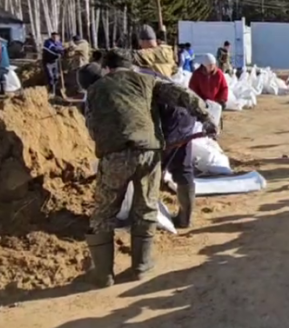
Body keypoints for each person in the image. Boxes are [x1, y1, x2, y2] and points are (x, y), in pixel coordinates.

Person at [82, 49, 217, 287]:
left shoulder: (95, 89)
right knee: (145, 206)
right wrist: (206, 117)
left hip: (114, 154)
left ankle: (103, 275)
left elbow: (92, 125)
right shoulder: (147, 81)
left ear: (107, 68)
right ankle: (141, 267)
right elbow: (181, 93)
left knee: (104, 213)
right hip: (148, 152)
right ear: (129, 65)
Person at [43, 32, 64, 97]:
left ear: (58, 37)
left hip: (55, 61)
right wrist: (60, 50)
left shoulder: (59, 42)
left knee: (56, 76)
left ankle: (56, 90)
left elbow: (61, 49)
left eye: (56, 37)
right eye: (53, 37)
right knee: (50, 76)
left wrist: (62, 52)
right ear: (51, 37)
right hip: (48, 62)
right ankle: (51, 90)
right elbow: (52, 49)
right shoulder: (48, 42)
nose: (55, 38)